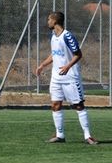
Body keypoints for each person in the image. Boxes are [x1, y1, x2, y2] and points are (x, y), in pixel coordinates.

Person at [35, 11, 97, 145]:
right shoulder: (53, 35)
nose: (48, 22)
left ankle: (88, 136)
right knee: (55, 105)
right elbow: (55, 54)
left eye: (49, 20)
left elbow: (78, 54)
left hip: (71, 78)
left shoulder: (67, 36)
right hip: (56, 78)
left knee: (78, 106)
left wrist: (68, 66)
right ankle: (60, 135)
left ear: (55, 21)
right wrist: (42, 65)